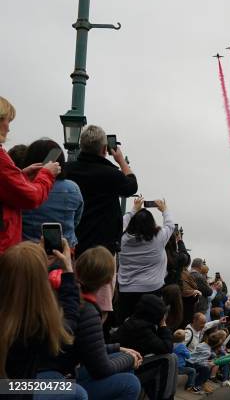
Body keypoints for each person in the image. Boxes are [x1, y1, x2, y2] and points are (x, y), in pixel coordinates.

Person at [64, 124, 138, 316]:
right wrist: (121, 161)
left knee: (70, 299)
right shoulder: (110, 174)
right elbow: (131, 185)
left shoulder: (68, 171)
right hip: (102, 247)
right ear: (104, 149)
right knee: (100, 306)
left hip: (73, 245)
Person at [0, 240, 87, 399]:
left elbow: (20, 282)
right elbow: (68, 325)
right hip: (18, 388)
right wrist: (67, 271)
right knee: (77, 393)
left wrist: (33, 260)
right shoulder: (37, 328)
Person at [67, 246, 142, 400]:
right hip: (54, 381)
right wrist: (130, 359)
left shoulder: (71, 298)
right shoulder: (87, 311)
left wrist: (119, 348)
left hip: (35, 377)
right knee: (131, 384)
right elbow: (101, 369)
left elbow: (87, 347)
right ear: (109, 280)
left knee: (122, 362)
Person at [0, 96, 61, 254]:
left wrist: (21, 176)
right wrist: (47, 174)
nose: (8, 128)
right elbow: (31, 197)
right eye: (7, 121)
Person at [117, 197, 174, 323]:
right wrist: (164, 209)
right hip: (152, 288)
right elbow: (170, 225)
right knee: (149, 324)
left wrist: (133, 210)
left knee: (127, 324)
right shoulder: (159, 237)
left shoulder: (123, 239)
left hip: (126, 289)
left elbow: (119, 224)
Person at [21, 139, 84, 248]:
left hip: (29, 254)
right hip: (64, 253)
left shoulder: (23, 187)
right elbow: (76, 220)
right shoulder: (72, 188)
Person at [173, 330, 208, 394]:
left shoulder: (172, 344)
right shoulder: (182, 346)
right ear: (184, 339)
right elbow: (188, 356)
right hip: (178, 368)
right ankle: (189, 387)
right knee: (192, 370)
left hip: (172, 365)